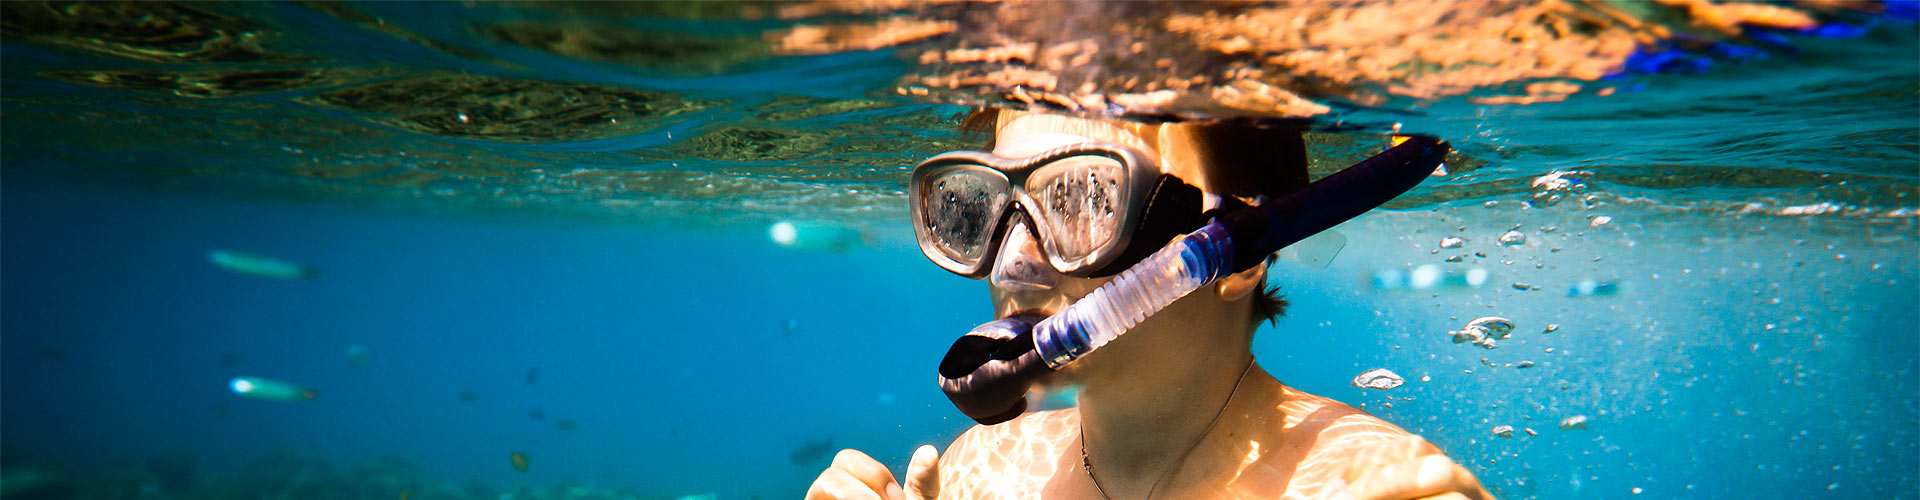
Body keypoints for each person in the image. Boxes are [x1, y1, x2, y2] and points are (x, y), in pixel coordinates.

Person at [807, 108, 1489, 499]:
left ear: (1238, 256)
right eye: (981, 208)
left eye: (1084, 201)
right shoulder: (980, 476)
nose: (1014, 261)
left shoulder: (1367, 488)